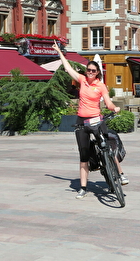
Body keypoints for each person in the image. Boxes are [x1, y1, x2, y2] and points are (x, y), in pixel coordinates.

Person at [52, 41, 129, 200]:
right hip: (82, 122)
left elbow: (107, 102)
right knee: (84, 156)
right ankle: (83, 188)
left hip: (96, 120)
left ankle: (120, 174)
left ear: (98, 72)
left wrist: (113, 108)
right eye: (88, 70)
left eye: (93, 71)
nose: (90, 72)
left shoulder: (101, 86)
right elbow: (68, 69)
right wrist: (59, 52)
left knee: (107, 147)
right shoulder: (82, 80)